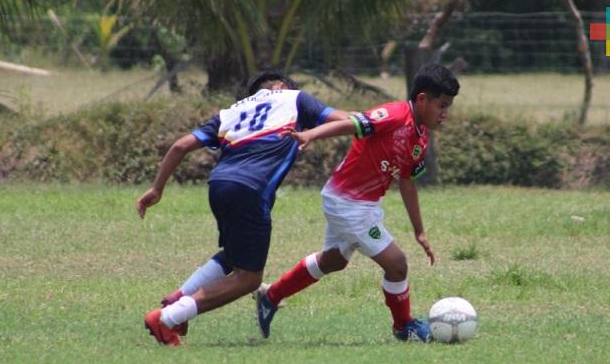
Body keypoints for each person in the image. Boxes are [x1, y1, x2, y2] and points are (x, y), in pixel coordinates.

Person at [136, 70, 352, 346]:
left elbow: (180, 146)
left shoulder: (230, 112)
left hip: (219, 184)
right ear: (279, 86)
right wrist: (379, 120)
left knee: (234, 256)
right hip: (249, 189)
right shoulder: (292, 97)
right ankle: (166, 318)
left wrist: (157, 189)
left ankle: (178, 298)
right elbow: (346, 120)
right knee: (249, 278)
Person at [255, 63, 460, 342]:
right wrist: (310, 134)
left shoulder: (420, 138)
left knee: (334, 261)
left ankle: (271, 296)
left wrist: (419, 231)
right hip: (348, 204)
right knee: (397, 264)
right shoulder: (394, 114)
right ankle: (404, 327)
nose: (445, 114)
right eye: (442, 105)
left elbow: (407, 182)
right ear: (422, 99)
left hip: (360, 204)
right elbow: (352, 123)